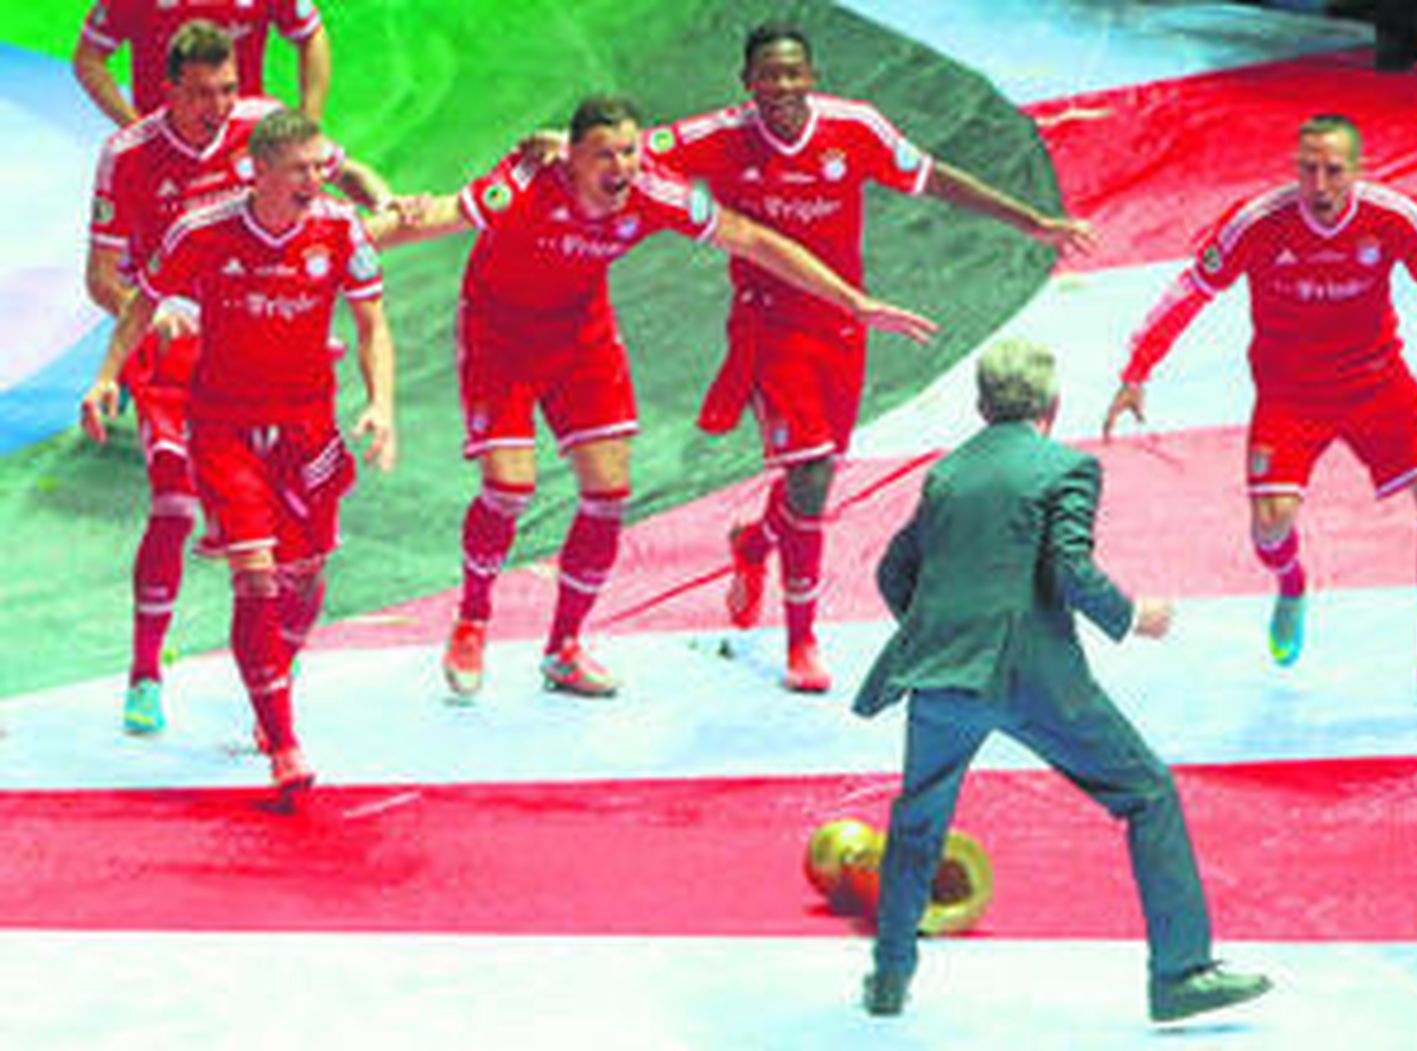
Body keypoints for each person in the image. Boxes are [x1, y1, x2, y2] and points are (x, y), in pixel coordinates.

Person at [381, 95, 936, 700]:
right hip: (500, 336)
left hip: (581, 335)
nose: (621, 167)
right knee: (510, 487)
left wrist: (851, 299)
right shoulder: (522, 183)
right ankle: (474, 620)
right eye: (605, 155)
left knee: (608, 495)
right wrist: (325, 245)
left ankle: (564, 649)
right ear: (571, 157)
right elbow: (426, 217)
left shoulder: (655, 191)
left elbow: (749, 238)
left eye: (629, 151)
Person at [640, 22, 1098, 694]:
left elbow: (933, 177)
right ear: (748, 84)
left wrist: (1031, 220)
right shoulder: (718, 135)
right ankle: (802, 637)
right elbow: (627, 154)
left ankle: (756, 541)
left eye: (795, 73)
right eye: (770, 75)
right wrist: (563, 152)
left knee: (813, 477)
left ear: (813, 76)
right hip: (770, 328)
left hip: (844, 325)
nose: (784, 87)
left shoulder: (853, 128)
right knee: (813, 473)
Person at [853, 339, 1270, 1022]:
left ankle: (889, 978)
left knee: (919, 818)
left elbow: (891, 574)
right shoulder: (1066, 468)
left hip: (940, 675)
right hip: (1030, 673)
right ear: (1052, 405)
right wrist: (1134, 615)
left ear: (982, 404)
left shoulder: (946, 475)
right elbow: (1071, 568)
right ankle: (1180, 972)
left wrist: (942, 631)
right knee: (1147, 792)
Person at [1103, 114, 1417, 701]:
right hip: (1289, 392)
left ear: (1358, 170)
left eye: (1333, 171)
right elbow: (1188, 292)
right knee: (1271, 521)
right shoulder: (1257, 223)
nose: (1320, 185)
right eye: (1308, 169)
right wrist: (1136, 371)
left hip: (1377, 382)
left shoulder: (1394, 218)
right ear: (1294, 168)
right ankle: (1293, 585)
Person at [86, 19, 391, 735]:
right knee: (173, 505)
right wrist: (155, 317)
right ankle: (145, 672)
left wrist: (379, 193)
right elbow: (103, 280)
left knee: (298, 551)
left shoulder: (258, 127)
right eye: (202, 94)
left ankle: (274, 682)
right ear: (166, 92)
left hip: (263, 352)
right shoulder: (125, 155)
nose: (220, 107)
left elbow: (331, 165)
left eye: (228, 89)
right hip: (170, 354)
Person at [75, 0, 331, 127]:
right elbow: (89, 58)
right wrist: (135, 127)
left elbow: (311, 35)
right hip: (166, 147)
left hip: (243, 140)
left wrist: (309, 121)